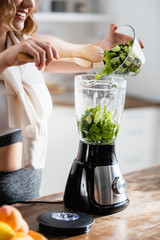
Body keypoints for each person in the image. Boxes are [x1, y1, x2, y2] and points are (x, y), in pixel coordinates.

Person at [0, 0, 144, 205]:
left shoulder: (25, 46)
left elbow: (85, 53)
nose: (30, 3)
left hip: (28, 194)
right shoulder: (16, 52)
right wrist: (7, 59)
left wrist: (108, 46)